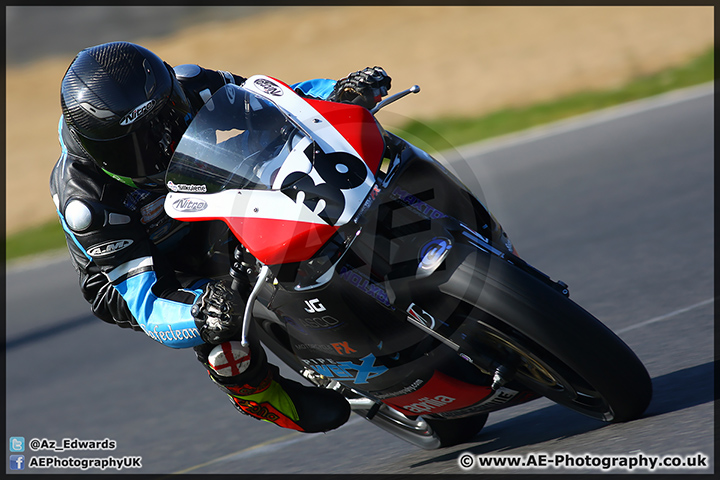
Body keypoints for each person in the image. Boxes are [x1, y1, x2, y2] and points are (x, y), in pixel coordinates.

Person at [50, 41, 391, 433]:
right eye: (143, 141)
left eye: (169, 117)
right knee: (221, 334)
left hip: (210, 202)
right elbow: (148, 303)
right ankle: (258, 395)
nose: (165, 141)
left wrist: (339, 93)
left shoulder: (191, 84)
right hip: (146, 268)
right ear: (103, 152)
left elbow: (279, 100)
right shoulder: (88, 200)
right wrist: (198, 312)